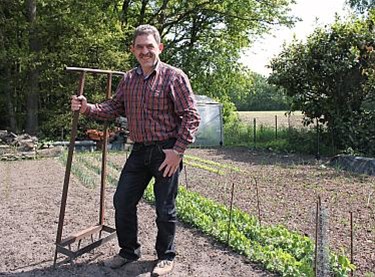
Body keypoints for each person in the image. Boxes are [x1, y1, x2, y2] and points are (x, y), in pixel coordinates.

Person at [71, 24, 201, 276]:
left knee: (165, 207)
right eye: (140, 47)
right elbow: (113, 108)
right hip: (140, 151)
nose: (145, 51)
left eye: (149, 46)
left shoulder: (174, 76)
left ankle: (166, 256)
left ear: (159, 48)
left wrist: (178, 150)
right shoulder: (129, 78)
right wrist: (87, 108)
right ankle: (128, 251)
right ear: (133, 50)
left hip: (167, 151)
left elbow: (191, 116)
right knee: (123, 200)